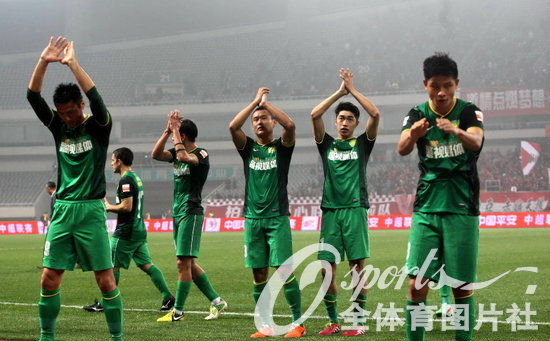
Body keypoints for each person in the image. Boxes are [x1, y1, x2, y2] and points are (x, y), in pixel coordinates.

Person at [27, 36, 123, 341]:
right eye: (62, 113)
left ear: (79, 105)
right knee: (49, 278)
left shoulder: (98, 126)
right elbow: (32, 96)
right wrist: (43, 60)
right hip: (63, 210)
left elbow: (97, 97)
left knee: (106, 282)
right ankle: (47, 337)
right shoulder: (58, 128)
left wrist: (72, 64)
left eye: (70, 111)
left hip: (92, 211)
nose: (67, 117)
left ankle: (116, 338)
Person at [397, 52, 484, 341]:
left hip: (462, 206)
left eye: (447, 85)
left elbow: (476, 141)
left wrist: (456, 131)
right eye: (435, 85)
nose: (442, 92)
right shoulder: (417, 114)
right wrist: (414, 134)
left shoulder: (469, 111)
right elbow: (402, 148)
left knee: (461, 286)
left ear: (456, 83)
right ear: (425, 84)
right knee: (416, 285)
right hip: (426, 207)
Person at [229, 88, 305, 338]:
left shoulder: (281, 148)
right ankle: (265, 325)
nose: (259, 122)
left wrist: (267, 105)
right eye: (255, 120)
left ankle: (298, 324)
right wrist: (254, 104)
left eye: (263, 118)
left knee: (283, 270)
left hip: (277, 216)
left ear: (272, 122)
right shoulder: (248, 148)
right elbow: (232, 127)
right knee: (259, 273)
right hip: (252, 219)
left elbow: (291, 125)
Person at [310, 68, 380, 336]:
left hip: (355, 209)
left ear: (356, 124)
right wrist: (340, 92)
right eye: (340, 118)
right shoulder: (326, 144)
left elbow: (375, 114)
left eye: (350, 119)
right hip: (330, 212)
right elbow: (315, 115)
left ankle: (359, 322)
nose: (344, 122)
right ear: (336, 121)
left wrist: (353, 91)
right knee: (326, 269)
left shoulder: (362, 144)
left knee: (356, 268)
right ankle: (333, 321)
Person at [152, 111, 227, 322]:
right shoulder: (175, 152)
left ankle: (178, 311)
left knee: (182, 263)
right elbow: (155, 154)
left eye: (177, 133)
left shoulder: (201, 154)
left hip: (191, 212)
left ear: (183, 136)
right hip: (177, 212)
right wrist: (168, 131)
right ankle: (217, 301)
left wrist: (175, 129)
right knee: (188, 264)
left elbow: (185, 157)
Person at [83, 147, 174, 313]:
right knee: (147, 265)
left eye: (112, 160)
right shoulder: (135, 178)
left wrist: (109, 206)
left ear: (119, 160)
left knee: (112, 266)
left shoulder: (125, 180)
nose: (111, 164)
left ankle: (106, 302)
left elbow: (127, 207)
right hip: (138, 229)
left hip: (126, 231)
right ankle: (168, 297)